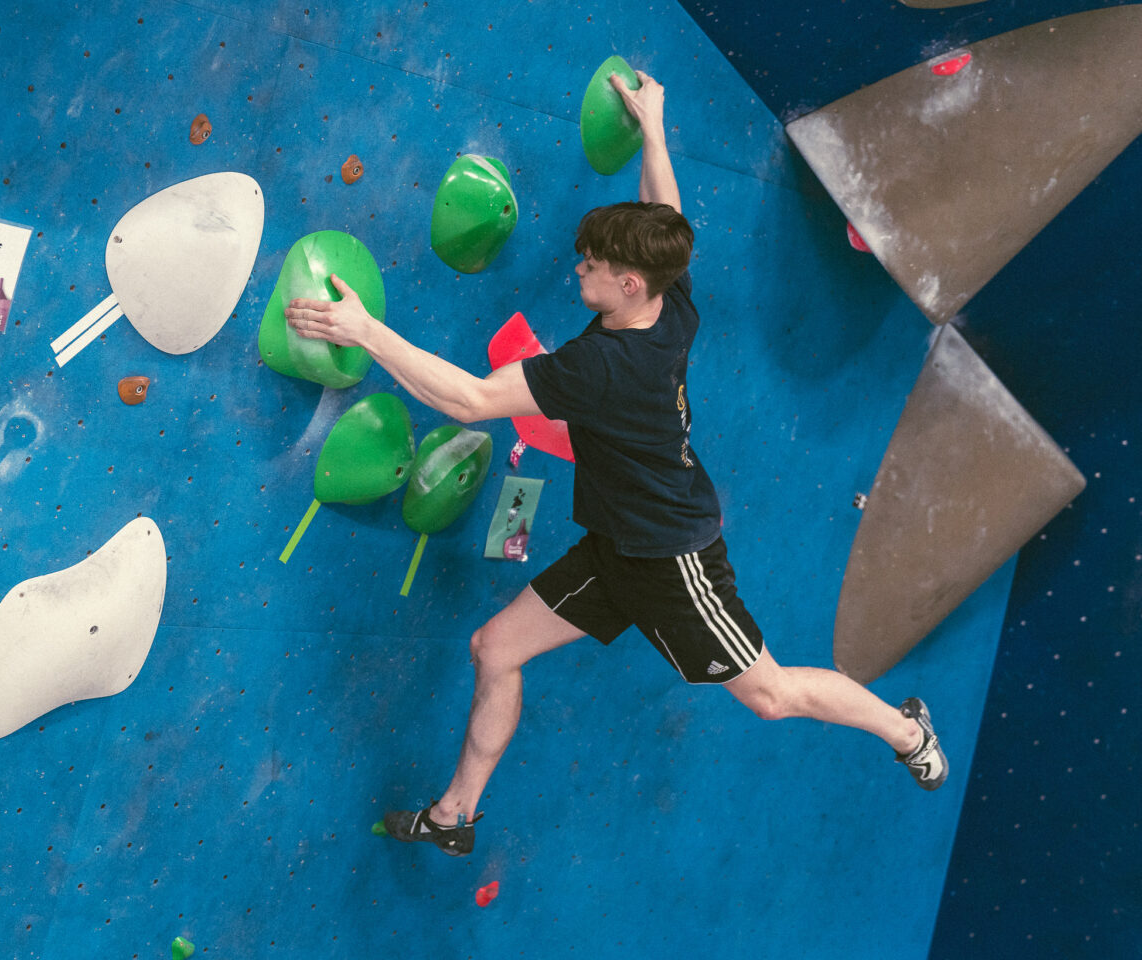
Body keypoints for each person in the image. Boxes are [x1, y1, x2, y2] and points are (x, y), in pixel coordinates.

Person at [284, 70, 948, 858]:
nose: (578, 270)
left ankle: (906, 732)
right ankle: (455, 818)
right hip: (618, 543)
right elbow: (663, 217)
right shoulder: (671, 298)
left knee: (768, 695)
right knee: (494, 649)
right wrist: (654, 128)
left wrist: (364, 331)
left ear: (626, 285)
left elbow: (466, 400)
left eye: (591, 265)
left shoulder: (598, 370)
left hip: (673, 561)